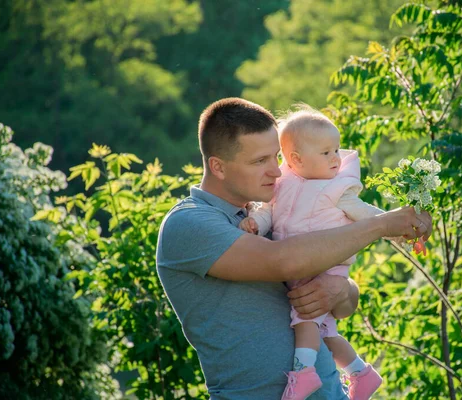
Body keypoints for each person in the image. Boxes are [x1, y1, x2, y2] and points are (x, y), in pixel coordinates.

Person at [155, 98, 432, 400]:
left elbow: (346, 306)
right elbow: (284, 261)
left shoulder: (275, 210)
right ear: (218, 167)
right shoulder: (189, 222)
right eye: (260, 161)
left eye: (277, 157)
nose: (276, 172)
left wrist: (339, 288)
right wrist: (382, 225)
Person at [238, 107, 424, 400]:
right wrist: (255, 225)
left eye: (336, 150)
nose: (336, 158)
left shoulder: (338, 189)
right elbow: (267, 215)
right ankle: (361, 373)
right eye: (326, 152)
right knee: (325, 332)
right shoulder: (281, 186)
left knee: (305, 319)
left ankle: (303, 373)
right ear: (296, 159)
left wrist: (399, 230)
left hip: (326, 267)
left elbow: (370, 217)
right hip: (297, 265)